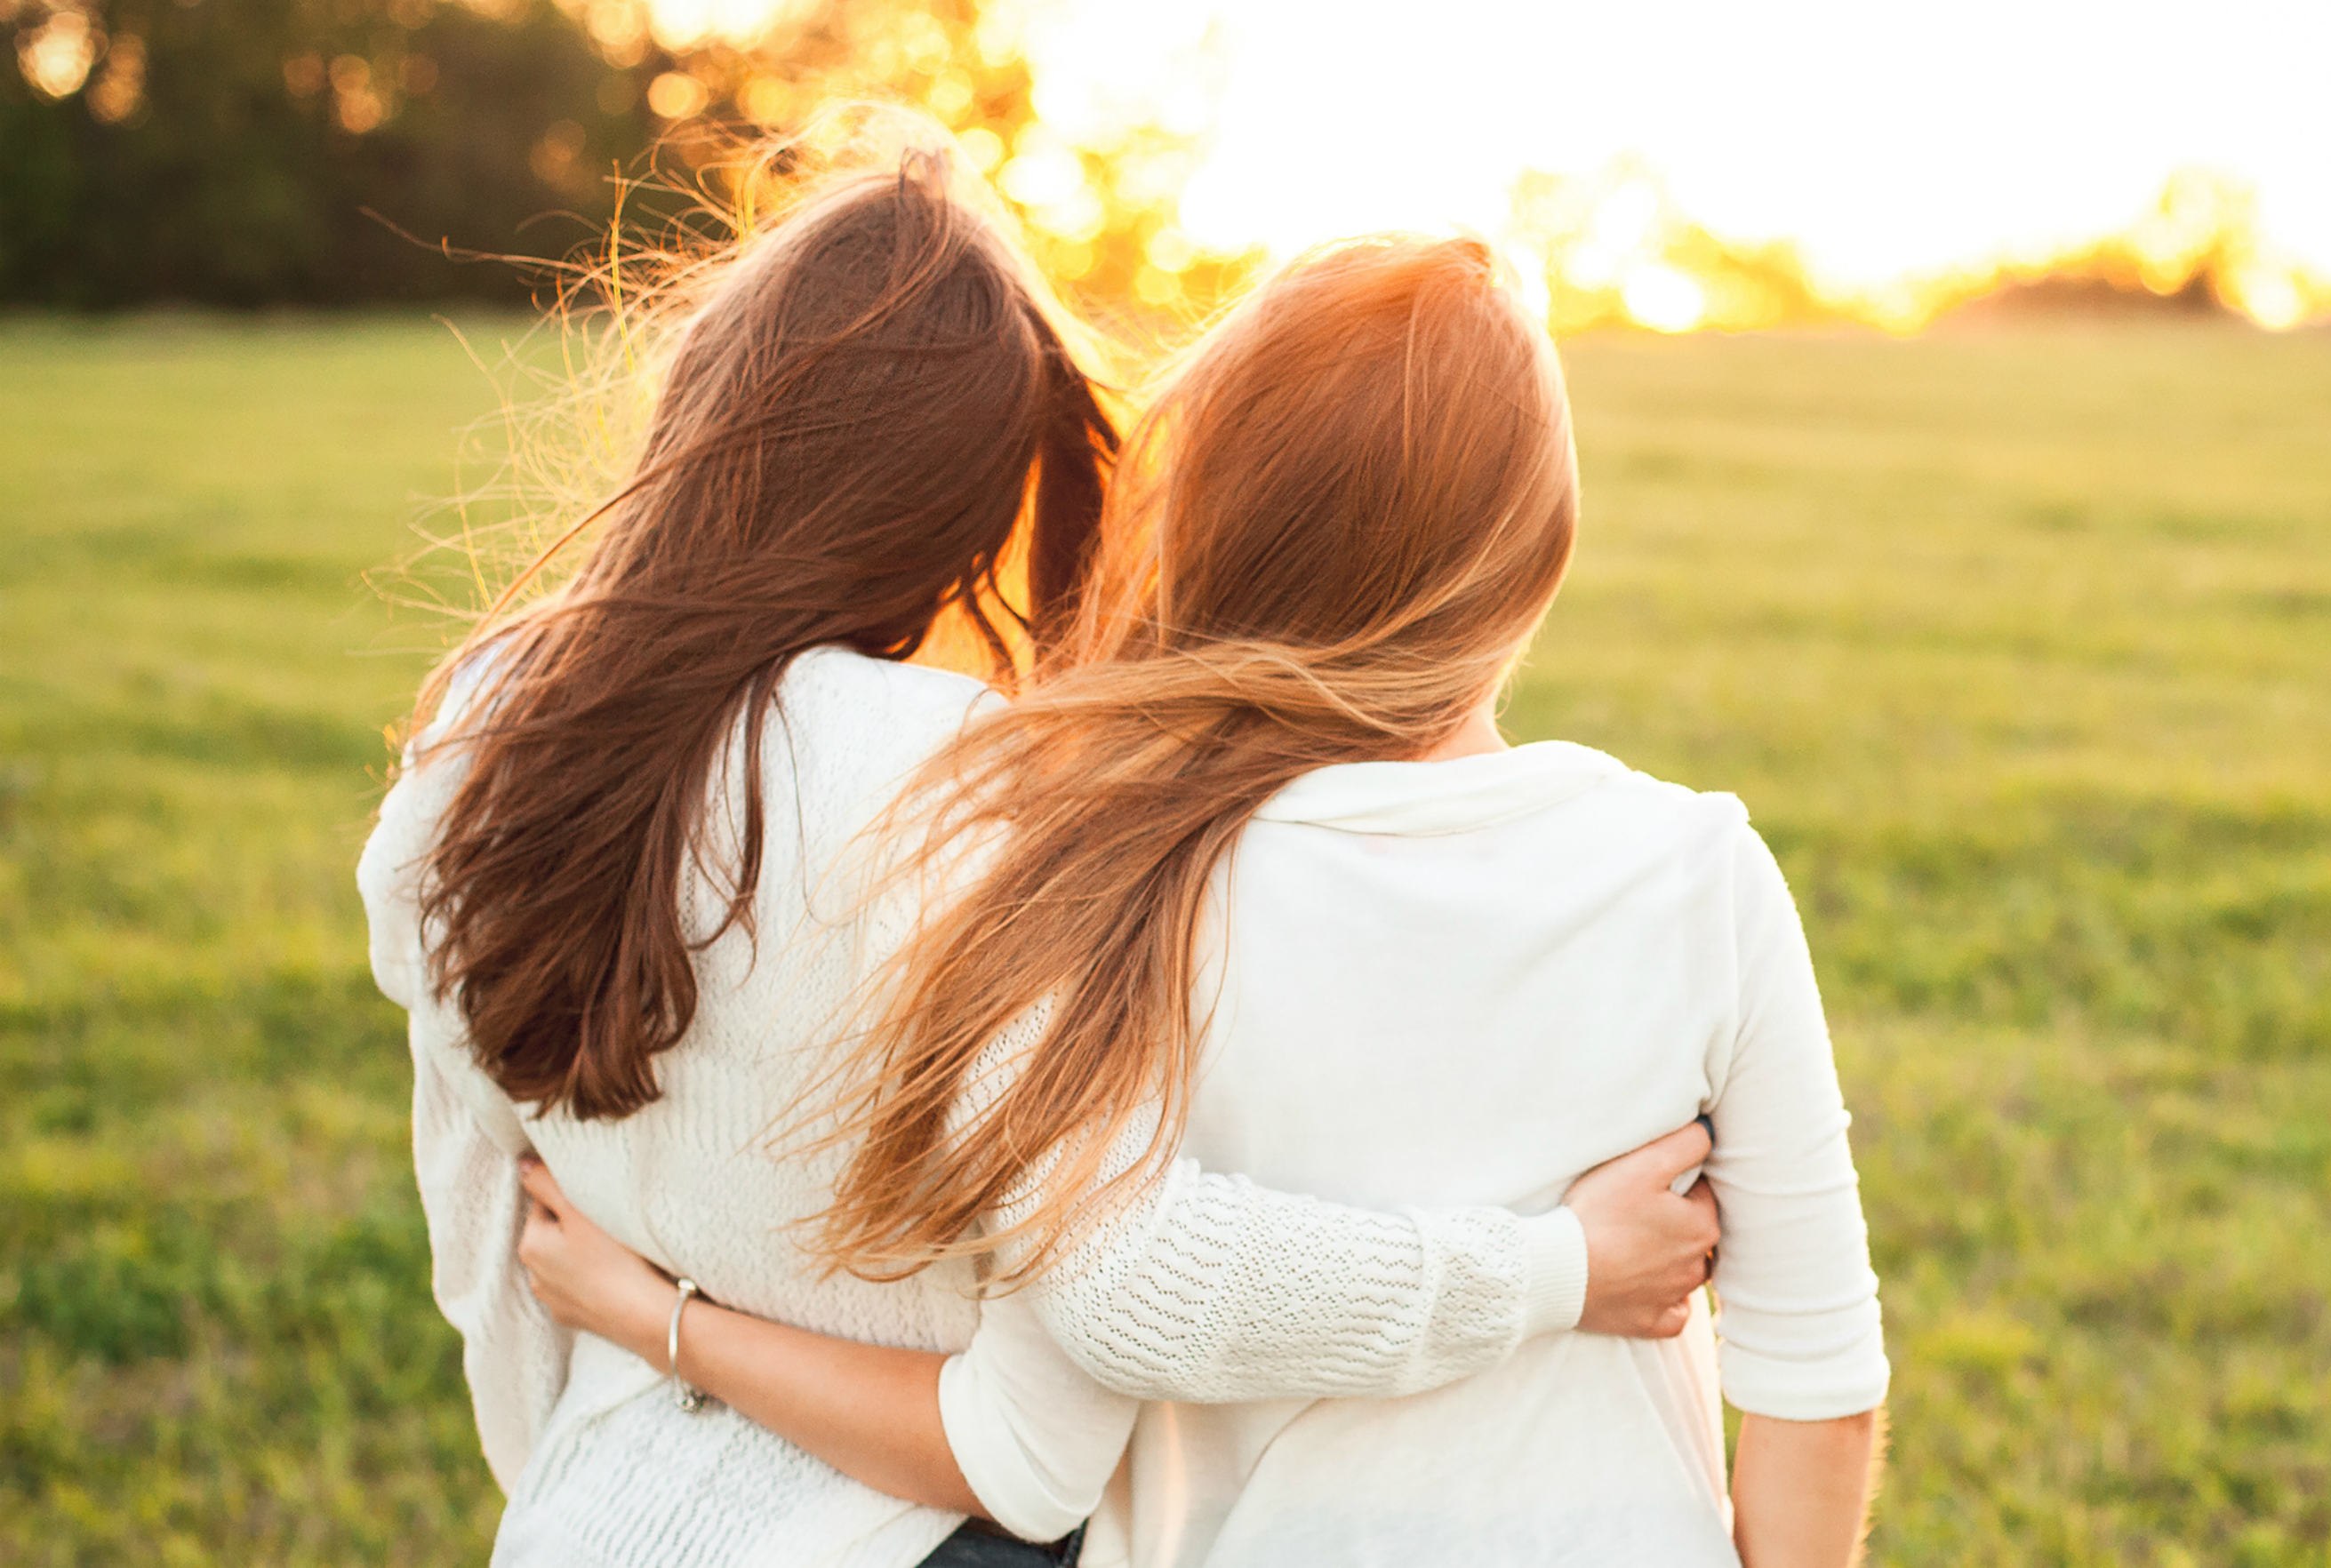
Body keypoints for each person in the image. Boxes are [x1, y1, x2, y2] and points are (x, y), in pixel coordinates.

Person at [358, 125, 1718, 1568]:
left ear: (706, 406)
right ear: (969, 501)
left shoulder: (480, 738)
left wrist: (628, 1396)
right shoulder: (965, 791)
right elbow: (1052, 1421)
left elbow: (493, 1269)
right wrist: (1552, 1269)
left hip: (586, 1524)